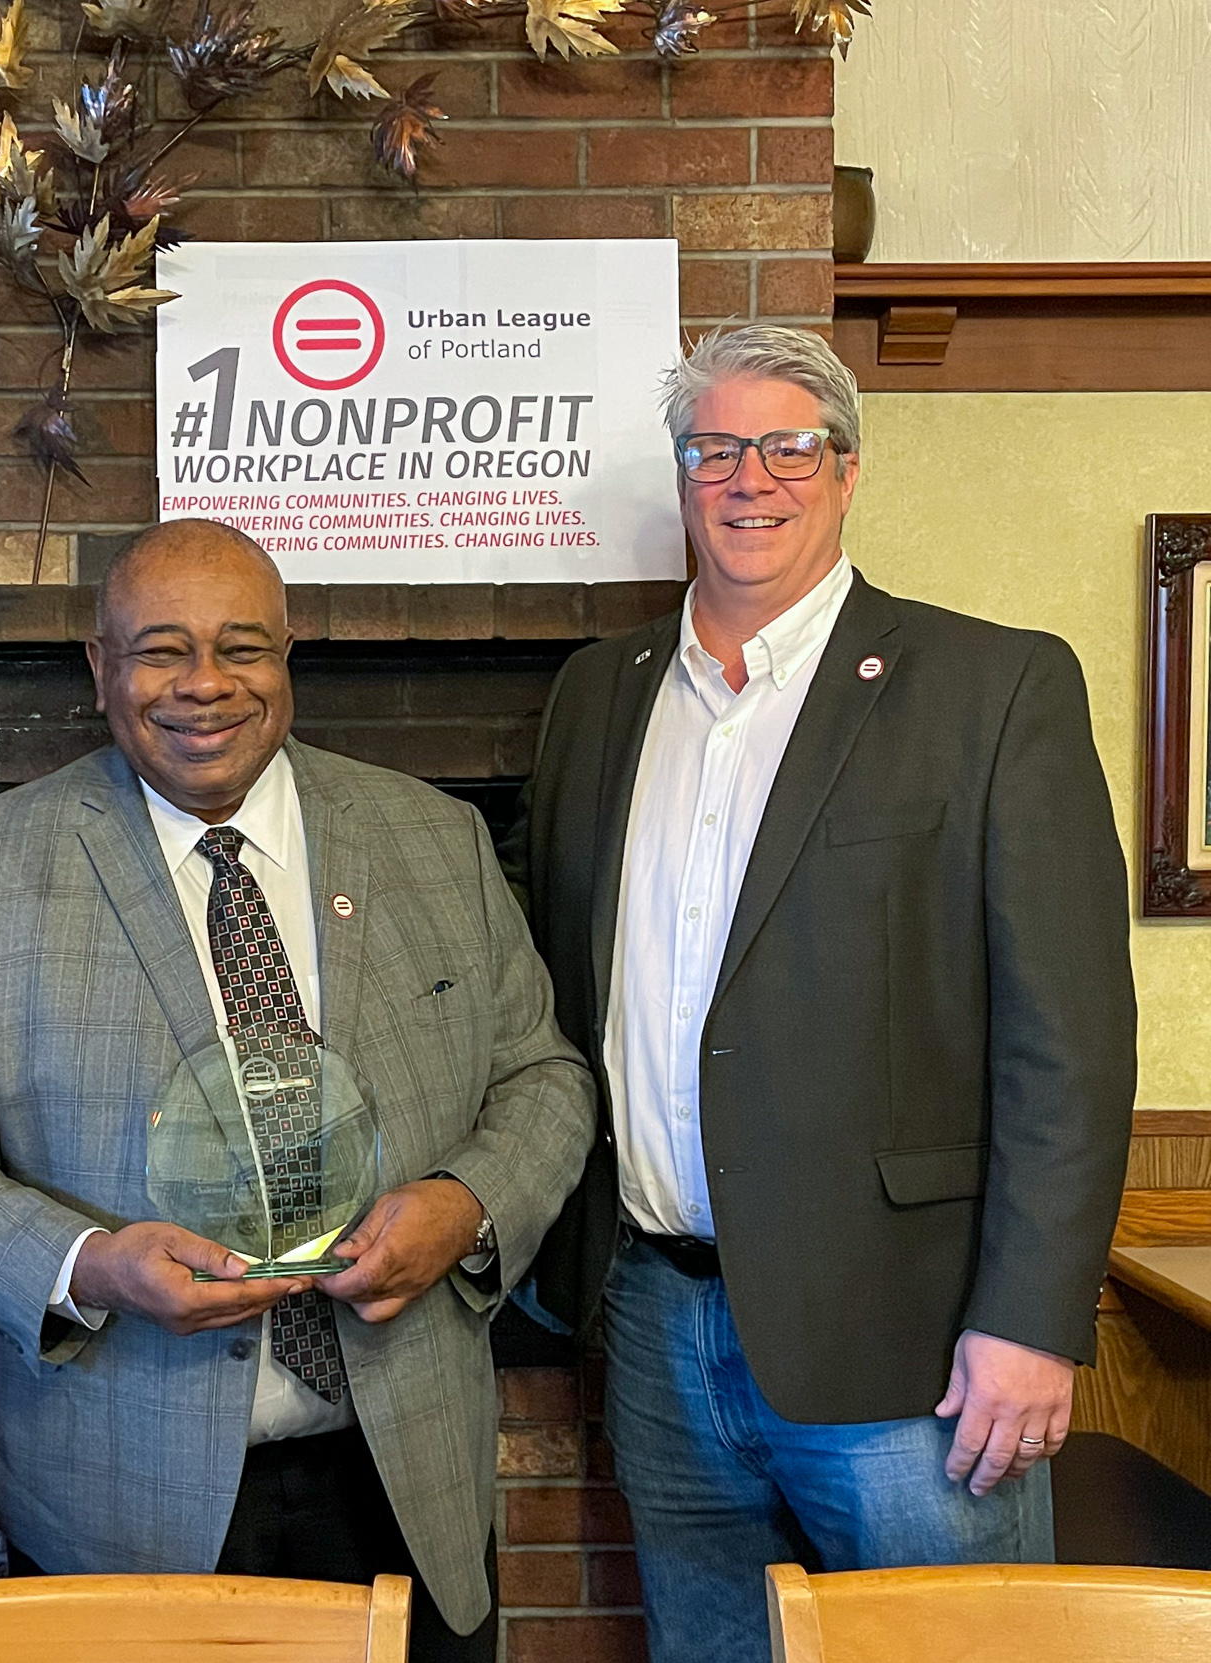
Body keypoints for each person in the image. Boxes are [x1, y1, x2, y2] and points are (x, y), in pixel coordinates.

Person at [0, 519, 595, 1663]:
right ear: (99, 668)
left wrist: (466, 1204)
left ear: (288, 659)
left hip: (401, 1470)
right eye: (159, 649)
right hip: (118, 1486)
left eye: (241, 646)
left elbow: (542, 1076)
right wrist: (88, 1264)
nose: (204, 684)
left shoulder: (433, 838)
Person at [508, 325, 1137, 1662]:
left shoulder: (990, 686)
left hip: (912, 1341)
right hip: (659, 1325)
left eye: (788, 446)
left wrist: (1033, 1319)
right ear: (681, 478)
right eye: (715, 449)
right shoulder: (595, 697)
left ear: (847, 472)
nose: (751, 478)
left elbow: (1066, 1042)